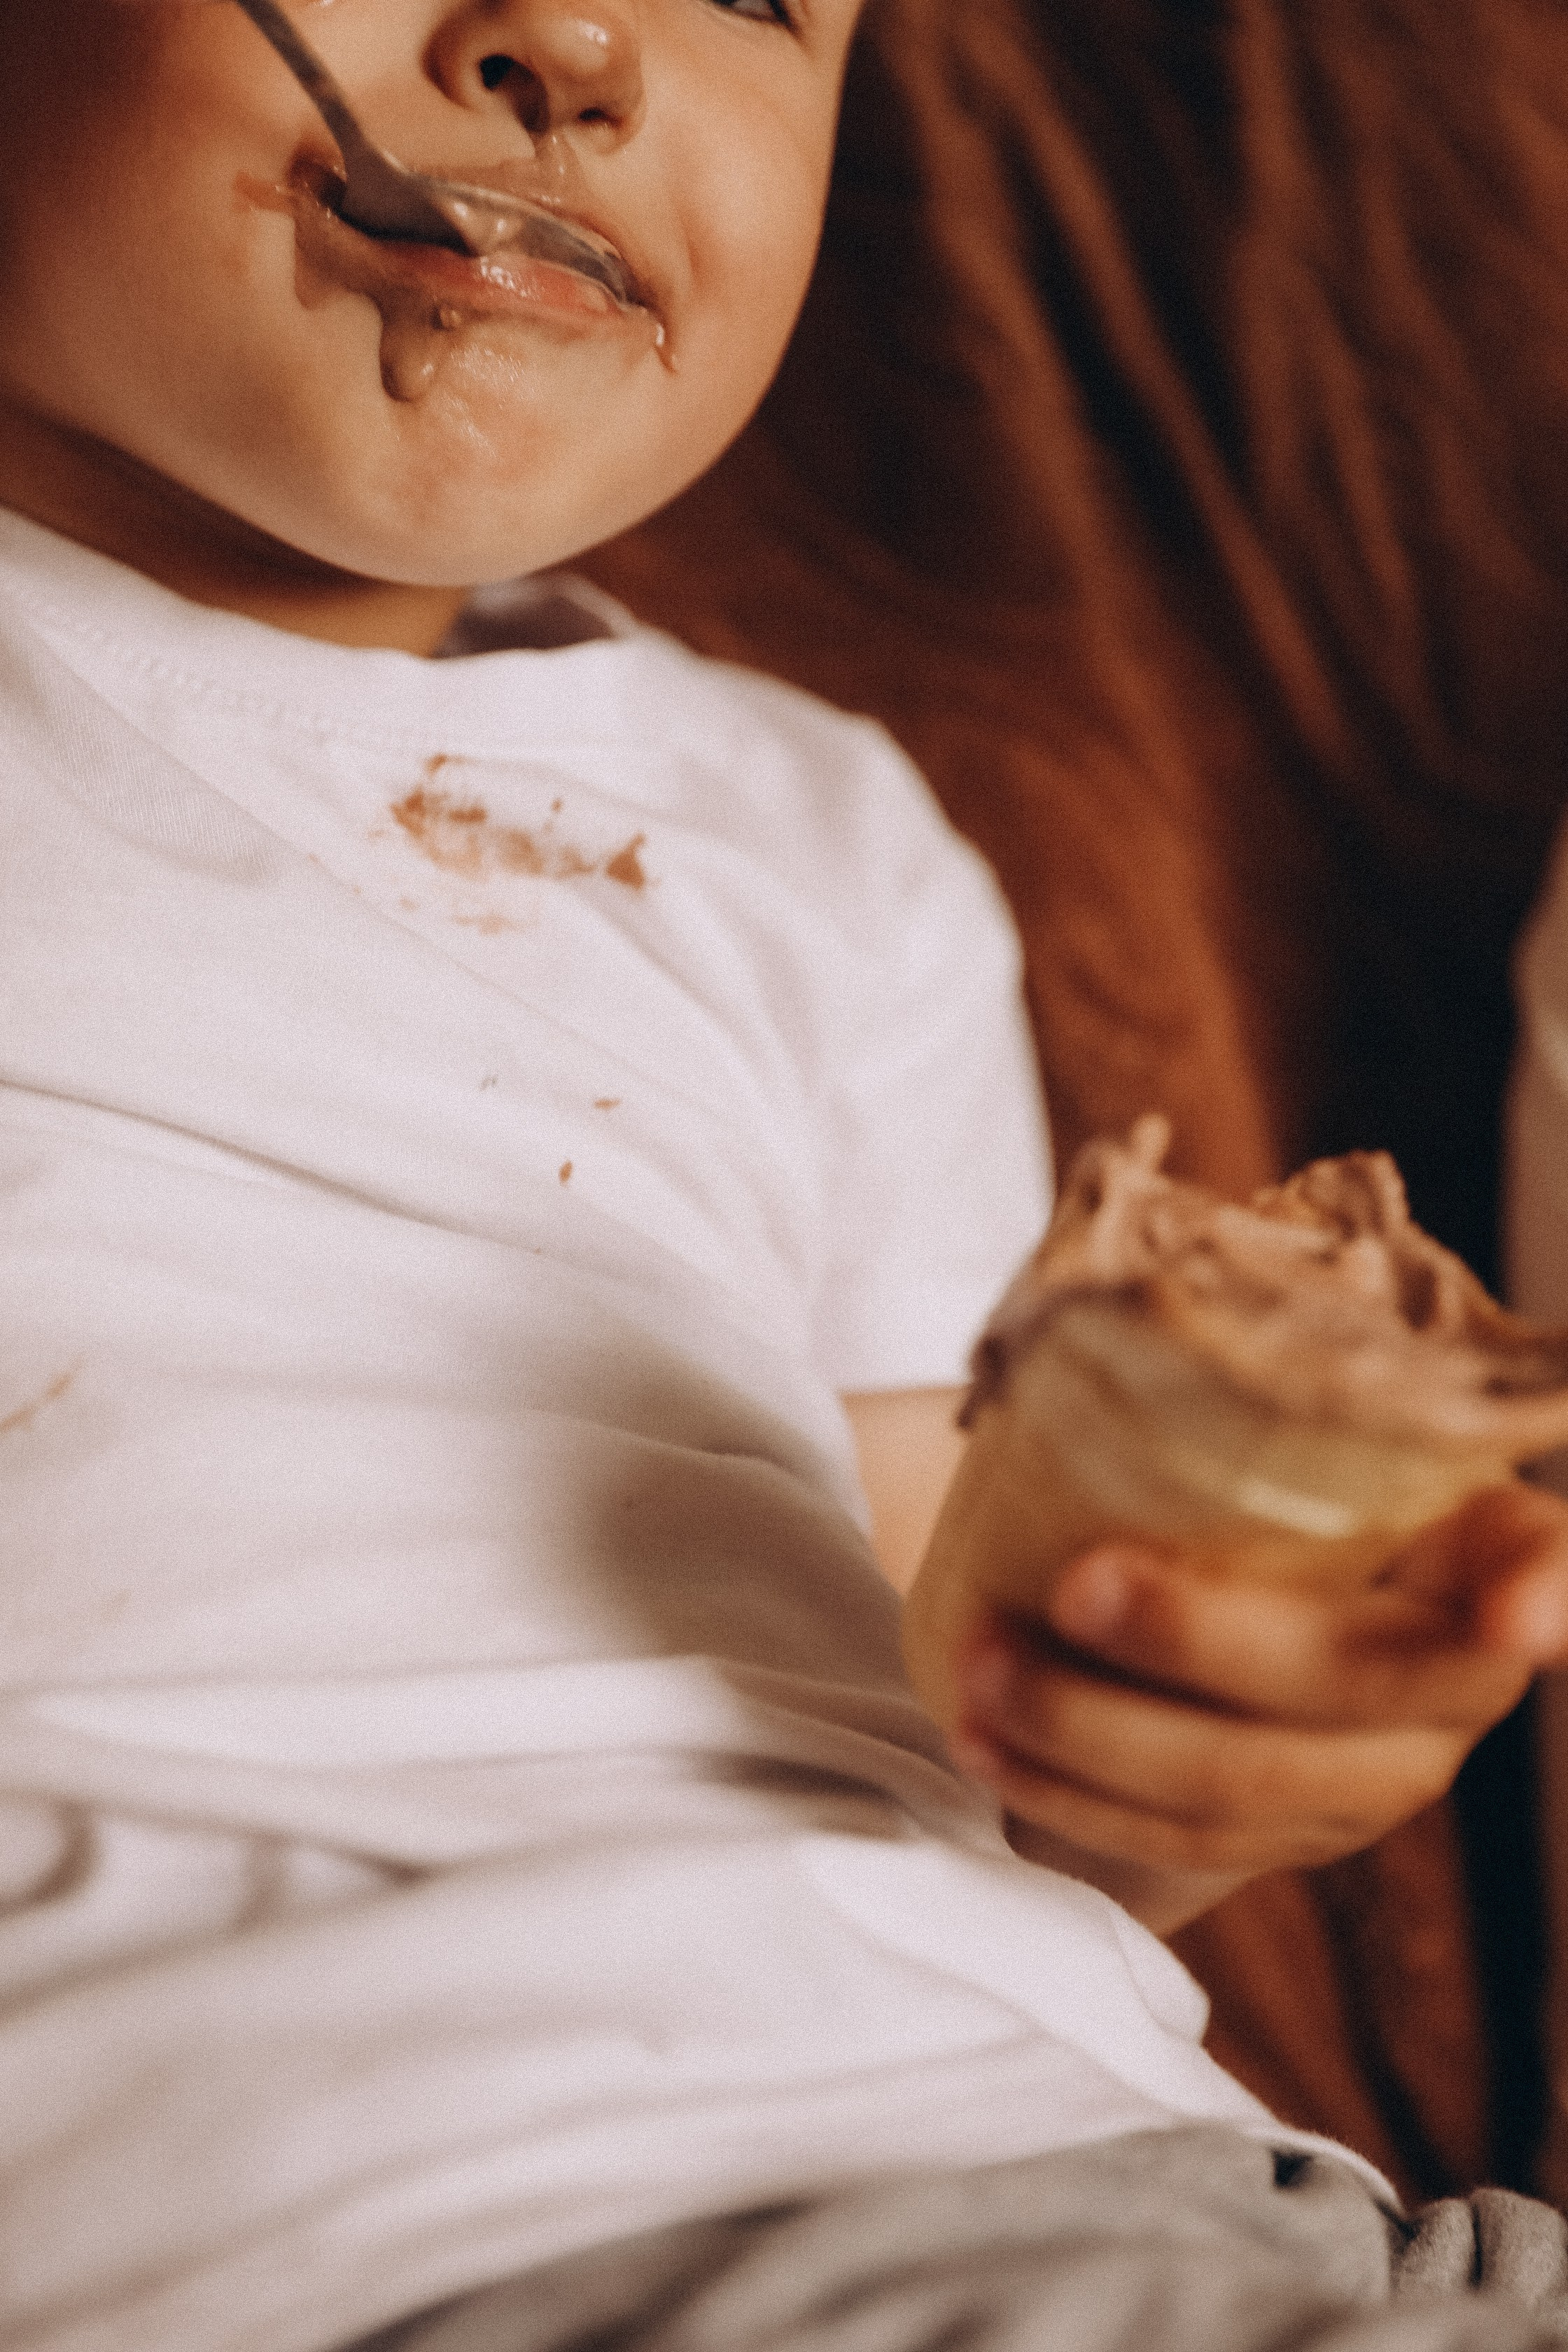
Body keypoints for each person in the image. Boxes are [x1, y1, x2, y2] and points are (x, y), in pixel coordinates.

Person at [4, 4, 1568, 2348]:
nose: (574, 44)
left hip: (1152, 2185)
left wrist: (1194, 1759)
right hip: (366, 2206)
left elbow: (967, 1711)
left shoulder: (828, 846)